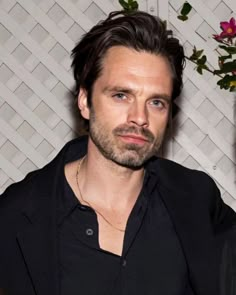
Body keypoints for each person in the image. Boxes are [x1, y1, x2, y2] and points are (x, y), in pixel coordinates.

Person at [0, 10, 235, 295]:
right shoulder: (16, 216)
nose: (139, 117)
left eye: (156, 102)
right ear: (85, 102)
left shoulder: (197, 199)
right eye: (121, 95)